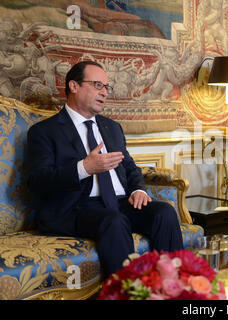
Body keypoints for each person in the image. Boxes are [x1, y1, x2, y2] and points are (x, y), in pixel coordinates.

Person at [27, 61, 183, 278]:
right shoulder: (44, 131)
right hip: (76, 208)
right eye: (97, 85)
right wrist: (84, 168)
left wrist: (138, 190)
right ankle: (127, 293)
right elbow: (38, 181)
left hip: (119, 202)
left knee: (163, 212)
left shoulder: (111, 127)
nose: (104, 93)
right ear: (74, 86)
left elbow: (129, 167)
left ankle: (171, 286)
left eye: (106, 87)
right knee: (114, 220)